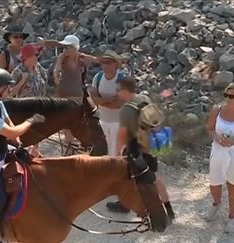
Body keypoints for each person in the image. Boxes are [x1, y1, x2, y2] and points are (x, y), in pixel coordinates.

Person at [0, 68, 45, 243]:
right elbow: (11, 131)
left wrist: (18, 143)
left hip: (2, 148)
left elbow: (8, 121)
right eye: (6, 86)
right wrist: (30, 121)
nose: (8, 89)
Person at [113, 77, 175, 220]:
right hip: (152, 143)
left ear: (124, 91)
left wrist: (117, 154)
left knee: (136, 179)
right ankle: (169, 209)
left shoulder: (126, 110)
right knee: (155, 177)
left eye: (118, 90)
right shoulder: (144, 98)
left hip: (136, 148)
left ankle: (131, 207)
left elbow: (122, 135)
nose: (117, 94)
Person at [52, 35, 99, 154]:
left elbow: (96, 60)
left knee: (77, 119)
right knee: (65, 121)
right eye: (65, 47)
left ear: (75, 48)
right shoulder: (62, 58)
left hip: (77, 95)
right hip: (64, 94)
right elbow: (56, 71)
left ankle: (75, 145)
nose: (65, 50)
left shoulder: (81, 58)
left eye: (68, 47)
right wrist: (57, 78)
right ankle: (70, 146)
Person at [205, 83, 234, 232]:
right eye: (227, 95)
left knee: (232, 185)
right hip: (218, 150)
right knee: (214, 182)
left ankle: (232, 217)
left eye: (232, 96)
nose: (229, 99)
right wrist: (216, 138)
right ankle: (216, 204)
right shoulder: (217, 110)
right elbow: (209, 128)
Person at [90, 49, 126, 157]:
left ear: (115, 64)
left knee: (114, 151)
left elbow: (119, 104)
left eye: (108, 62)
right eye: (103, 62)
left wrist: (101, 101)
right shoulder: (98, 78)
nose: (105, 65)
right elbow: (94, 99)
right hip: (102, 120)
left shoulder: (122, 79)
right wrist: (110, 100)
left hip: (117, 121)